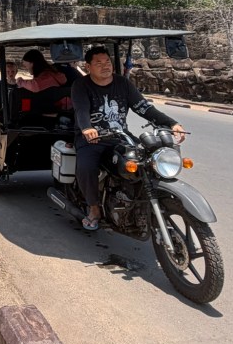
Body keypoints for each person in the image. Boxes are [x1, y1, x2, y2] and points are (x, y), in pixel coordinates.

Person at [71, 45, 186, 231]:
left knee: (148, 159)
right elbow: (81, 110)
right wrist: (87, 128)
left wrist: (171, 123)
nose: (105, 66)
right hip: (92, 139)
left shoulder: (122, 83)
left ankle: (142, 200)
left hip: (119, 136)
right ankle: (94, 208)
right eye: (98, 63)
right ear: (88, 67)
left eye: (107, 61)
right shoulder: (81, 85)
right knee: (86, 167)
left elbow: (143, 107)